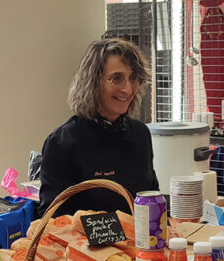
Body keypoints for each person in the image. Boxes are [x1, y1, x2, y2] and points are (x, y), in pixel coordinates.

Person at [39, 38, 156, 216]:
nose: (127, 89)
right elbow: (53, 217)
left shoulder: (140, 134)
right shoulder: (62, 142)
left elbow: (151, 198)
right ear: (92, 83)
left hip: (136, 235)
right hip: (80, 236)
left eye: (133, 78)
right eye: (117, 79)